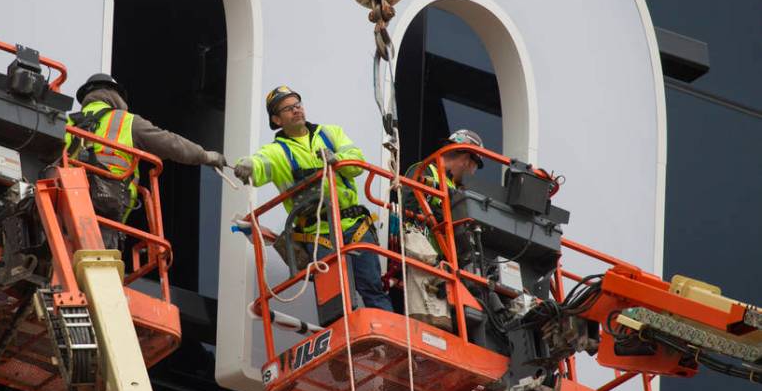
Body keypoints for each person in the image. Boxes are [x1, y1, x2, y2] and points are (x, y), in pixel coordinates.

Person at [233, 85, 393, 312]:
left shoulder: (330, 134)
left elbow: (356, 162)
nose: (296, 110)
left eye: (297, 104)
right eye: (288, 108)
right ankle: (345, 341)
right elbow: (260, 164)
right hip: (319, 234)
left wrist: (336, 159)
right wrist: (248, 165)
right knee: (336, 301)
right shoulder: (276, 152)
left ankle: (384, 339)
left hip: (353, 225)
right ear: (277, 120)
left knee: (373, 288)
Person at [65, 73, 226, 250]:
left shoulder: (68, 123)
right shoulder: (125, 121)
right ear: (115, 94)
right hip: (106, 203)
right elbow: (171, 144)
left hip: (66, 202)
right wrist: (206, 156)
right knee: (98, 264)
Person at [398, 129, 484, 330]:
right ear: (466, 159)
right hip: (424, 253)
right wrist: (445, 219)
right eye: (474, 165)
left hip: (444, 260)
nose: (473, 172)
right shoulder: (424, 171)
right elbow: (411, 206)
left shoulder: (457, 189)